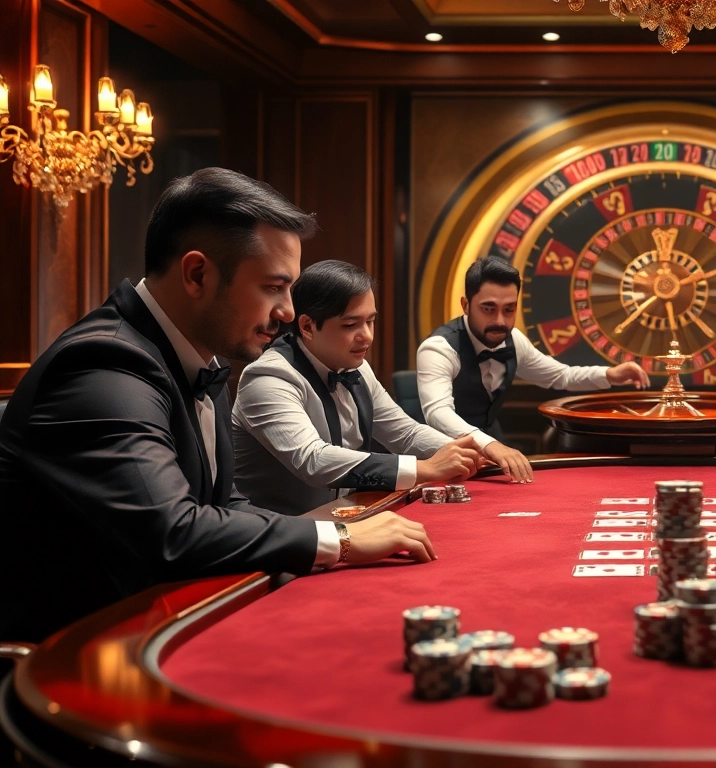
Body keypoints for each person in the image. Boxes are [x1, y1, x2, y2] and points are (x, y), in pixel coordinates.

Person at [0, 168, 437, 643]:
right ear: (197, 274)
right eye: (273, 287)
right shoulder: (104, 364)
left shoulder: (198, 354)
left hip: (169, 619)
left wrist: (336, 533)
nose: (289, 312)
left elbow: (222, 502)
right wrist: (340, 541)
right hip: (78, 657)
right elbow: (173, 532)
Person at [233, 260, 481, 516]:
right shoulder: (269, 377)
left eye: (370, 322)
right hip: (281, 534)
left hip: (351, 516)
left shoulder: (357, 368)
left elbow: (405, 433)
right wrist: (423, 470)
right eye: (351, 325)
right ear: (307, 326)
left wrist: (473, 451)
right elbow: (313, 461)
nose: (367, 336)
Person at [417, 257, 650, 483]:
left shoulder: (514, 341)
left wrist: (610, 375)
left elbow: (561, 376)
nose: (500, 320)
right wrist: (490, 445)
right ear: (466, 305)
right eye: (488, 309)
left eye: (509, 309)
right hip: (441, 464)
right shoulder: (438, 348)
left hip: (491, 463)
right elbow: (438, 413)